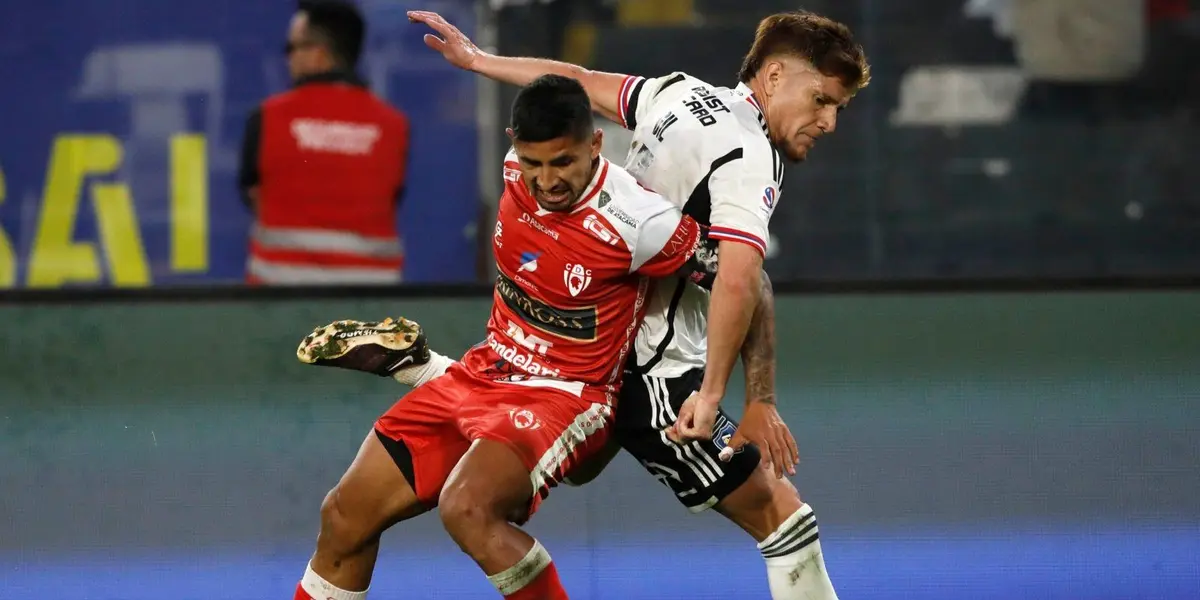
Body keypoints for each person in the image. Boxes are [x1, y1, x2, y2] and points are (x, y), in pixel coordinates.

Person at [305, 9, 871, 600]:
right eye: (822, 100)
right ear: (775, 75)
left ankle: (429, 369)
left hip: (594, 341)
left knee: (561, 466)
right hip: (652, 372)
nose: (828, 121)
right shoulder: (750, 156)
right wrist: (745, 398)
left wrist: (479, 62)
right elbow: (741, 280)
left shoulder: (678, 93)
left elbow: (574, 78)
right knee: (780, 516)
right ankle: (437, 373)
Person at [291, 74, 704, 600]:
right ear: (514, 145)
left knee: (467, 508)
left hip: (565, 394)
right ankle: (424, 367)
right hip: (484, 372)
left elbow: (743, 281)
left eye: (563, 163)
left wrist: (722, 390)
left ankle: (418, 365)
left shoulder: (642, 221)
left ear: (595, 145)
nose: (547, 181)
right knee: (345, 514)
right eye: (533, 163)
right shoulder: (511, 171)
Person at [238, 0, 410, 285]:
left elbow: (254, 196)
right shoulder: (394, 126)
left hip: (277, 307)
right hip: (370, 309)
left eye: (291, 48)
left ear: (319, 55)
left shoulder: (267, 118)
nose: (287, 58)